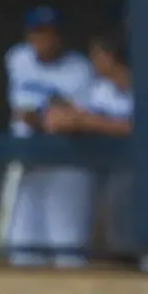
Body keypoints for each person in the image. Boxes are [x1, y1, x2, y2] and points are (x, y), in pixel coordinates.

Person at [2, 5, 96, 268]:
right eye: (36, 33)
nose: (42, 40)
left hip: (65, 164)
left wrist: (44, 118)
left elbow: (79, 119)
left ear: (60, 37)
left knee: (67, 248)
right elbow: (21, 110)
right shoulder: (17, 58)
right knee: (21, 246)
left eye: (48, 33)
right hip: (27, 162)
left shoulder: (79, 69)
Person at [45, 26, 136, 257]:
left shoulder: (142, 87)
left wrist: (92, 122)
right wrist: (78, 119)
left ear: (109, 56)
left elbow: (142, 129)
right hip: (104, 170)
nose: (92, 60)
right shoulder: (99, 88)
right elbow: (55, 120)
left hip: (138, 171)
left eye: (96, 54)